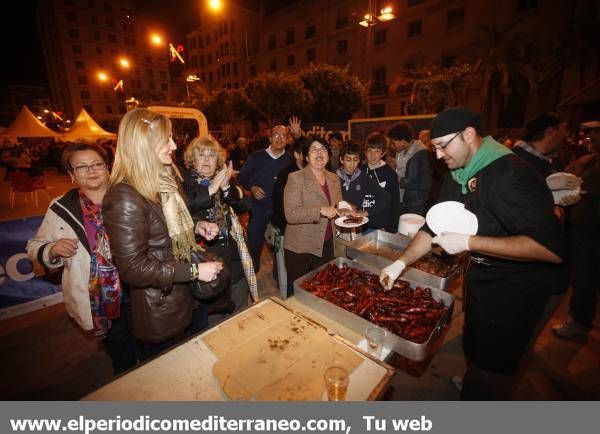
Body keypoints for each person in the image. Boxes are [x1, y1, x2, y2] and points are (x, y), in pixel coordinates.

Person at [379, 107, 567, 400]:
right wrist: (400, 263)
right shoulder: (459, 171)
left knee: (494, 370)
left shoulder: (509, 174)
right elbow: (432, 227)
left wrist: (470, 242)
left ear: (468, 135)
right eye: (434, 148)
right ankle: (473, 384)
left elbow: (551, 249)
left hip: (516, 291)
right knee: (475, 347)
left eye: (442, 146)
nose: (439, 156)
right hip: (482, 277)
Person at [102, 108, 223, 361]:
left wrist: (198, 225)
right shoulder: (124, 196)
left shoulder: (166, 177)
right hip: (162, 307)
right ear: (143, 143)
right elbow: (132, 268)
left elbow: (173, 223)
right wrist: (194, 272)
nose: (173, 145)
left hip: (190, 296)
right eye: (166, 139)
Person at [27, 143, 137, 374]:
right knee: (121, 353)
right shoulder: (61, 207)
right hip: (101, 297)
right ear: (71, 174)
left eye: (97, 164)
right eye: (82, 167)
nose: (92, 170)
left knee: (150, 343)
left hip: (138, 286)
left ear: (107, 167)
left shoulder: (129, 195)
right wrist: (52, 249)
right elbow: (35, 245)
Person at [182, 136, 257, 324]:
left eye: (212, 154)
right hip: (205, 260)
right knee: (213, 319)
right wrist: (212, 187)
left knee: (240, 313)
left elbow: (245, 205)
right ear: (193, 159)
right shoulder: (185, 184)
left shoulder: (224, 179)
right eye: (201, 154)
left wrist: (225, 189)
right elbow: (187, 207)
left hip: (234, 256)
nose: (207, 159)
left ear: (218, 159)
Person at [283, 136, 356, 296]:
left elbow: (337, 206)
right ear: (307, 156)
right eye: (314, 150)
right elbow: (291, 214)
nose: (319, 153)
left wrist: (346, 210)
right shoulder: (296, 178)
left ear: (328, 155)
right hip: (300, 247)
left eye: (323, 149)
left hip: (327, 244)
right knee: (298, 292)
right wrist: (320, 211)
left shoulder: (334, 178)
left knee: (323, 291)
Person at [552, 120, 600, 340]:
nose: (589, 136)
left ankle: (579, 323)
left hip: (592, 233)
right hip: (582, 229)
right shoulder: (592, 160)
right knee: (583, 276)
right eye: (587, 132)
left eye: (594, 132)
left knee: (586, 277)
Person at [238, 125, 293, 272]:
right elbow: (242, 176)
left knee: (279, 249)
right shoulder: (256, 157)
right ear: (270, 138)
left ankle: (278, 278)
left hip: (279, 213)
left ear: (288, 140)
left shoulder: (290, 160)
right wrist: (252, 187)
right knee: (254, 247)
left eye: (283, 135)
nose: (279, 138)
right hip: (258, 210)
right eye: (276, 135)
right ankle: (251, 278)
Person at [513, 112, 581, 205]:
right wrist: (545, 187)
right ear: (550, 132)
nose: (567, 135)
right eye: (565, 129)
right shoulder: (514, 158)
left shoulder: (554, 160)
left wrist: (563, 197)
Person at [271, 136, 308, 296]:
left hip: (306, 230)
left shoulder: (313, 172)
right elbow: (279, 205)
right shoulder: (287, 174)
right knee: (286, 269)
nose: (312, 156)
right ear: (298, 155)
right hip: (286, 228)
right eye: (308, 152)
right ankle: (287, 299)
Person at [336, 140, 390, 233]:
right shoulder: (333, 177)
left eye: (355, 159)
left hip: (355, 225)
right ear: (341, 159)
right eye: (348, 159)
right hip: (337, 225)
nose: (352, 164)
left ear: (359, 160)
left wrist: (365, 213)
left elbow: (385, 197)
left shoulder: (363, 177)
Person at [387, 122, 432, 216]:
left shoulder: (421, 153)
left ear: (403, 141)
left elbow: (424, 183)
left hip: (416, 204)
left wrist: (399, 180)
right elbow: (403, 170)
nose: (391, 146)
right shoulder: (400, 151)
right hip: (402, 200)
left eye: (393, 142)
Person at [362, 133, 400, 232]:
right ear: (365, 152)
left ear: (383, 153)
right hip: (360, 224)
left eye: (377, 151)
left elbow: (395, 203)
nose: (373, 155)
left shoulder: (390, 174)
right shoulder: (359, 171)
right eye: (370, 151)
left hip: (380, 227)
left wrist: (389, 227)